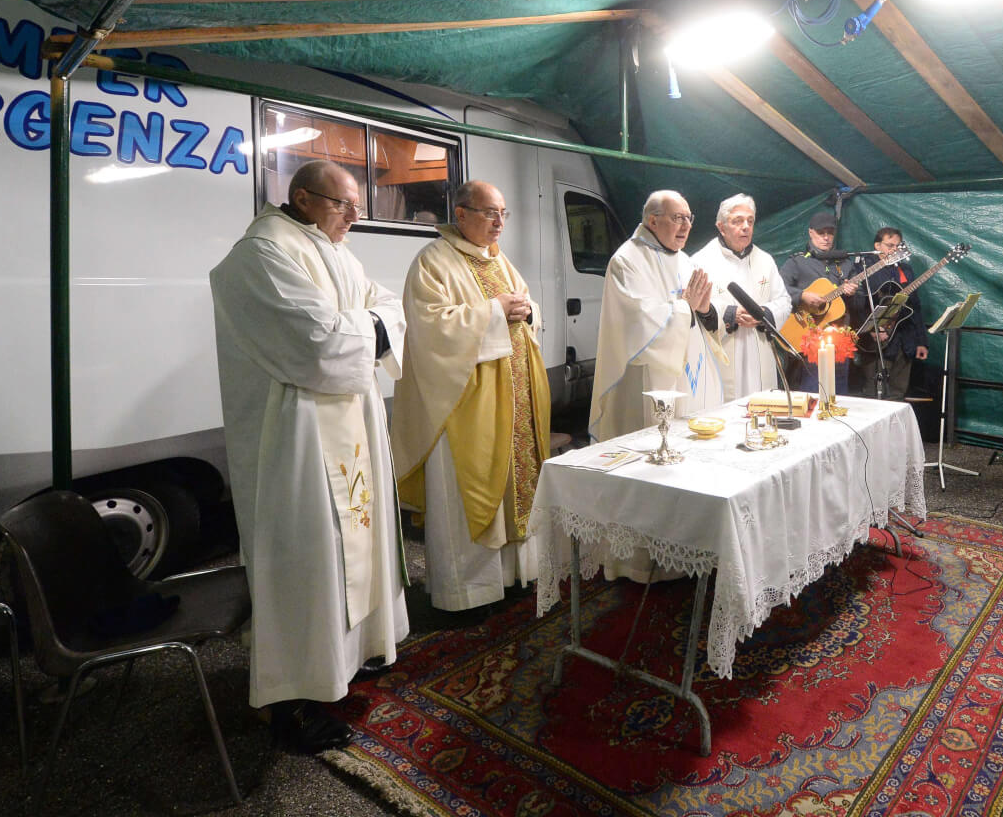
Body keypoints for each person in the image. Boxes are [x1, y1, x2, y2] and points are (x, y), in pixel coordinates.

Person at [209, 159, 408, 752]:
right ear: (301, 197)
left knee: (347, 554)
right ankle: (288, 702)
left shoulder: (336, 252)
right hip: (293, 441)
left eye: (357, 205)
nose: (354, 216)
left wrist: (363, 322)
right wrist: (368, 324)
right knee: (303, 563)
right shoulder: (261, 255)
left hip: (347, 425)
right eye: (343, 204)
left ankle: (342, 663)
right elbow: (319, 343)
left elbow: (387, 306)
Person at [389, 181, 550, 613]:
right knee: (467, 494)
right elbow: (428, 327)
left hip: (512, 399)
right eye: (489, 212)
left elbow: (524, 305)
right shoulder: (433, 261)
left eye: (503, 213)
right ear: (460, 214)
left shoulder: (499, 260)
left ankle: (515, 575)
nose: (499, 222)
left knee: (515, 489)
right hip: (464, 405)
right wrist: (496, 311)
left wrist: (528, 311)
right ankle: (468, 594)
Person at [588, 189, 725, 442]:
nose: (686, 225)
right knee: (653, 444)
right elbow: (639, 321)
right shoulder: (626, 261)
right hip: (647, 378)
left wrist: (705, 310)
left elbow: (699, 312)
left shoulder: (686, 261)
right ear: (653, 220)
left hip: (690, 376)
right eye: (678, 218)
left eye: (689, 218)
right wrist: (686, 307)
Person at [691, 194, 792, 401]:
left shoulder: (765, 260)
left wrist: (764, 313)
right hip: (723, 349)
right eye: (737, 221)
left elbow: (784, 301)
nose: (746, 226)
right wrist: (729, 314)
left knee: (763, 408)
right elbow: (691, 307)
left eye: (750, 221)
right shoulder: (701, 261)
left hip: (759, 350)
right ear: (721, 227)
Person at [778, 209, 867, 395]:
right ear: (811, 232)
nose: (826, 237)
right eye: (821, 233)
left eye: (830, 233)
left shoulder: (846, 264)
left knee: (839, 393)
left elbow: (859, 305)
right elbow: (778, 289)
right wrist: (802, 295)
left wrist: (852, 294)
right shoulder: (797, 262)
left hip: (840, 339)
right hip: (808, 338)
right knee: (812, 392)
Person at [853, 226, 929, 398]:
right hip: (877, 343)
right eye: (890, 245)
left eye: (898, 246)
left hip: (905, 342)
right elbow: (858, 304)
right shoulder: (863, 268)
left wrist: (921, 341)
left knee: (898, 393)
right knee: (874, 394)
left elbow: (915, 306)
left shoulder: (906, 270)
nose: (894, 249)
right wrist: (871, 329)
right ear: (877, 246)